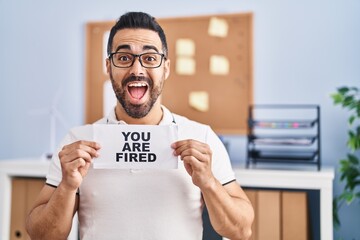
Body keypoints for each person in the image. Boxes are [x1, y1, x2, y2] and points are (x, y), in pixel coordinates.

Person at [26, 12, 254, 240]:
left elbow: (241, 230)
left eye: (150, 58)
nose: (137, 69)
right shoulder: (77, 142)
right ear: (108, 66)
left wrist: (209, 183)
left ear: (166, 67)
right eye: (124, 58)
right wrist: (67, 185)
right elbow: (41, 235)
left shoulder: (201, 136)